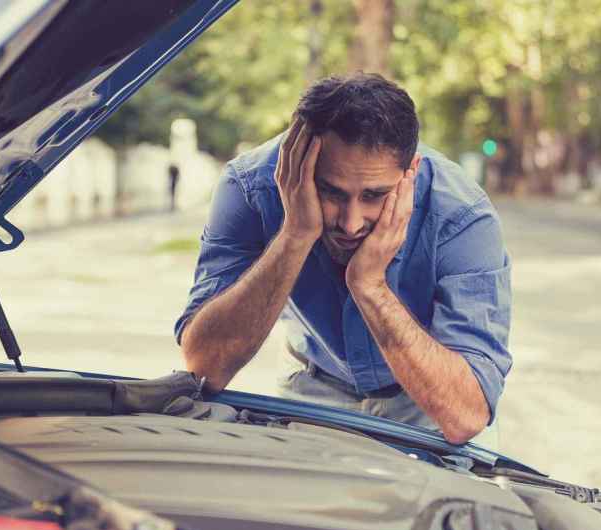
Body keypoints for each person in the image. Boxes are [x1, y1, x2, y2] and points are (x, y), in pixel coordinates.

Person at [174, 73, 511, 446]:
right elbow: (204, 367)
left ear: (409, 173)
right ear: (296, 161)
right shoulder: (251, 188)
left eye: (374, 195)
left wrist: (370, 287)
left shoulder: (461, 214)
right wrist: (294, 236)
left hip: (427, 402)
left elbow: (465, 416)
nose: (350, 223)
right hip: (313, 388)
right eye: (330, 192)